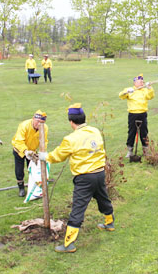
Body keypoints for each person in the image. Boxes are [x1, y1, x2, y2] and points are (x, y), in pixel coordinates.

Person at [38, 103, 115, 253]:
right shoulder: (95, 131)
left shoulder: (70, 139)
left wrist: (45, 156)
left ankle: (69, 243)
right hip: (99, 173)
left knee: (78, 208)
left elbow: (58, 155)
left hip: (84, 178)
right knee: (103, 198)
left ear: (71, 122)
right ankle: (109, 223)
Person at [11, 110, 48, 197]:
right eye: (37, 121)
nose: (39, 124)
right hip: (19, 150)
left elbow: (44, 141)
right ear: (33, 118)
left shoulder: (44, 128)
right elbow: (19, 141)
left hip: (32, 152)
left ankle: (34, 187)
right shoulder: (24, 125)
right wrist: (25, 151)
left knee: (33, 169)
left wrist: (42, 152)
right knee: (19, 170)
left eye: (41, 122)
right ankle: (21, 188)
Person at [118, 74, 154, 157]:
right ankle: (130, 151)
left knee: (144, 132)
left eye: (143, 82)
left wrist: (150, 88)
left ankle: (146, 150)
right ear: (135, 82)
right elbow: (121, 96)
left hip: (142, 114)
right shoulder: (129, 90)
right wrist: (126, 92)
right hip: (132, 115)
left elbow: (151, 96)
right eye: (140, 81)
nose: (142, 83)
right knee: (131, 132)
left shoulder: (145, 90)